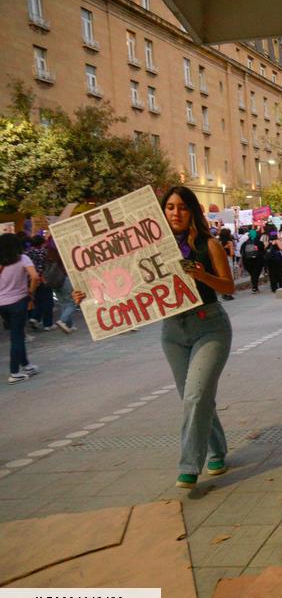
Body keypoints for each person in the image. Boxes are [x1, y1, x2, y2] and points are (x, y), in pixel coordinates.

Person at [76, 187, 235, 487]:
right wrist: (88, 295)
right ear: (162, 212)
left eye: (183, 208)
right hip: (172, 332)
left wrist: (202, 275)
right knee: (194, 398)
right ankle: (217, 450)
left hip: (210, 327)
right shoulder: (147, 250)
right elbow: (123, 285)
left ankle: (189, 465)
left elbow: (228, 287)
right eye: (171, 207)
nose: (176, 213)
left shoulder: (209, 244)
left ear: (193, 212)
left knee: (196, 396)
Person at [0, 233, 41, 383]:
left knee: (18, 334)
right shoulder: (23, 259)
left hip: (2, 305)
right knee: (17, 337)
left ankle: (27, 365)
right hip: (18, 301)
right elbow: (35, 276)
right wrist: (31, 291)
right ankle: (14, 372)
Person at [26, 235, 56, 331]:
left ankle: (35, 318)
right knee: (48, 301)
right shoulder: (43, 253)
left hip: (31, 281)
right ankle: (48, 324)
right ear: (42, 243)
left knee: (37, 300)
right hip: (43, 279)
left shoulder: (27, 253)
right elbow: (45, 266)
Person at [241, 228, 265, 293]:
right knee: (255, 274)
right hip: (257, 261)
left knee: (253, 275)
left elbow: (242, 252)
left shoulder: (244, 244)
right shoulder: (259, 243)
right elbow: (263, 252)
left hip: (247, 262)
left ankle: (254, 287)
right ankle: (255, 288)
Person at [218, 228, 236, 301]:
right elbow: (232, 253)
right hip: (228, 259)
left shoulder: (218, 242)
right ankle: (229, 293)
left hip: (220, 260)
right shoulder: (229, 242)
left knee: (222, 275)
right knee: (229, 275)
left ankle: (223, 292)